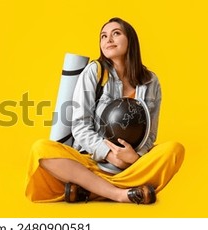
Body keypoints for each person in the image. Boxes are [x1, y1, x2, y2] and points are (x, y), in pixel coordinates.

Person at [25, 17, 185, 204]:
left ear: (131, 41)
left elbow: (151, 134)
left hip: (133, 165)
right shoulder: (95, 71)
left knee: (174, 150)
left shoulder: (151, 81)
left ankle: (90, 190)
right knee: (40, 150)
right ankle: (120, 193)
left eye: (116, 33)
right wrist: (109, 155)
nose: (108, 40)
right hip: (92, 162)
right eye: (103, 36)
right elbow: (80, 126)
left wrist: (134, 158)